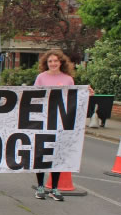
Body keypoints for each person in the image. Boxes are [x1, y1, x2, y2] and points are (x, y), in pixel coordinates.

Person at [33, 49, 92, 201]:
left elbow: (74, 98)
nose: (53, 63)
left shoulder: (67, 79)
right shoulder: (41, 78)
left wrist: (86, 93)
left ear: (61, 62)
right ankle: (40, 186)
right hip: (44, 121)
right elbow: (32, 97)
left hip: (60, 123)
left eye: (55, 61)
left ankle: (54, 188)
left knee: (58, 155)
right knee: (41, 154)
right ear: (46, 63)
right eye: (50, 61)